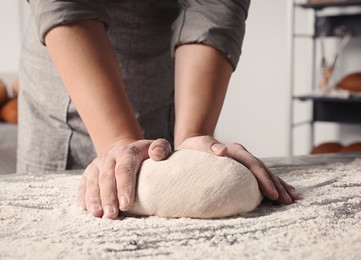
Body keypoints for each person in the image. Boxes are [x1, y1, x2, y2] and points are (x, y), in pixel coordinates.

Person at [18, 0, 300, 219]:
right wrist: (117, 141)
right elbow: (65, 5)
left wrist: (193, 136)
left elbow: (214, 6)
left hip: (171, 73)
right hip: (71, 74)